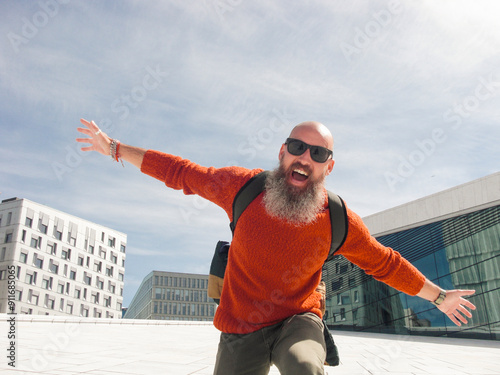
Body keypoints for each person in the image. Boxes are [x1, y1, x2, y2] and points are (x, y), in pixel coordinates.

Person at [76, 119, 476, 375]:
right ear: (282, 152)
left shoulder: (337, 217)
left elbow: (384, 263)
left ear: (328, 167)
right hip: (241, 325)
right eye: (298, 147)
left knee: (304, 367)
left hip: (298, 319)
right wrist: (115, 149)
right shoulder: (243, 187)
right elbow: (182, 173)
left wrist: (438, 296)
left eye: (318, 154)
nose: (306, 158)